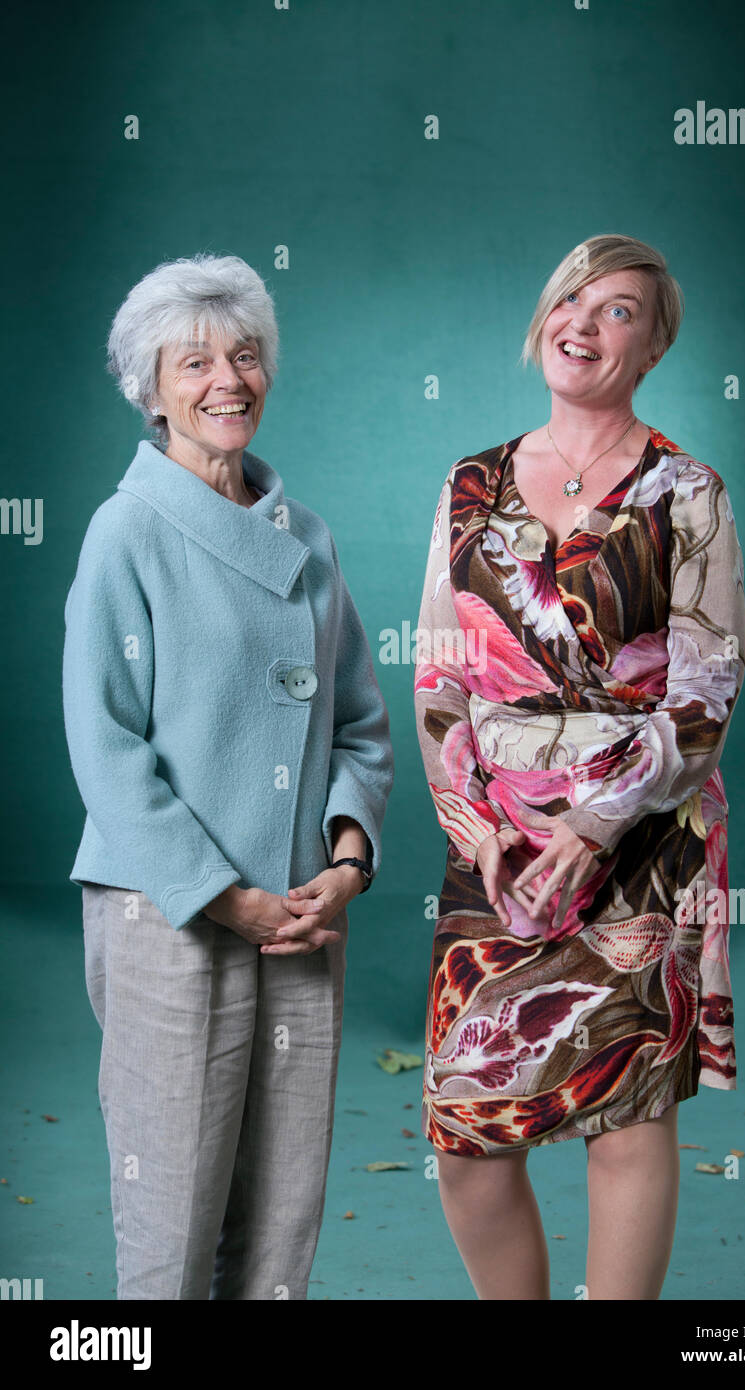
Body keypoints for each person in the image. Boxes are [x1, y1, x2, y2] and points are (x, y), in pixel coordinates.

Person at [413, 233, 745, 1300]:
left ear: (649, 349)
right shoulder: (470, 483)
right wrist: (477, 826)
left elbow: (705, 691)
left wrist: (597, 819)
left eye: (617, 311)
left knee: (626, 1115)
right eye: (571, 299)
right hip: (499, 838)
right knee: (467, 1139)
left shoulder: (686, 491)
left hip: (640, 839)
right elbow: (438, 671)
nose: (583, 322)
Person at [62, 252, 394, 1299]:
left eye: (244, 355)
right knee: (171, 1204)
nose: (226, 380)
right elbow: (105, 745)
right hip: (172, 913)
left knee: (281, 1208)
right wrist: (222, 897)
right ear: (150, 390)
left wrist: (345, 860)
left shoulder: (310, 538)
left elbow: (359, 723)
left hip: (300, 913)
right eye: (193, 360)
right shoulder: (126, 531)